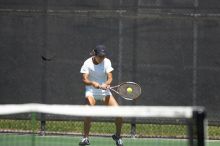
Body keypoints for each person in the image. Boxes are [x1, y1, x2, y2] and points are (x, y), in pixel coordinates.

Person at [79, 45, 123, 146]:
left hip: (104, 91)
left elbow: (110, 77)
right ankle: (85, 138)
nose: (102, 58)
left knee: (120, 114)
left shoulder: (107, 62)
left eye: (103, 56)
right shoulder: (87, 63)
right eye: (100, 56)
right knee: (88, 112)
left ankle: (118, 136)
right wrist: (92, 83)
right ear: (95, 55)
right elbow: (84, 79)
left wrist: (106, 83)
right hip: (91, 91)